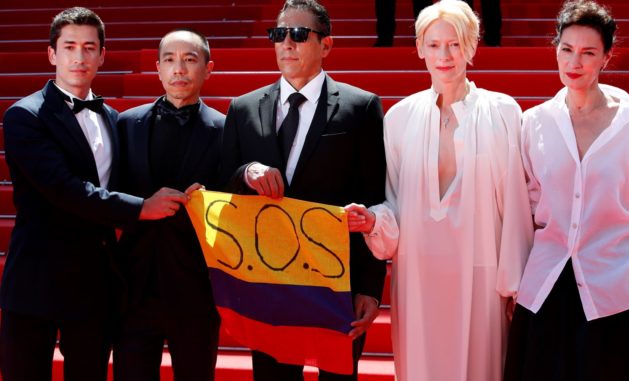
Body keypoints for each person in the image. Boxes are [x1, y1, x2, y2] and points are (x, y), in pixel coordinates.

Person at [0, 7, 189, 381]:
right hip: (36, 281)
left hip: (95, 285)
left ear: (102, 55)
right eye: (69, 46)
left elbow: (132, 178)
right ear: (52, 54)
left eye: (89, 47)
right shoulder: (24, 115)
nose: (79, 57)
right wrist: (142, 209)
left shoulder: (113, 118)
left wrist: (189, 189)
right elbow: (63, 188)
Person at [346, 1, 533, 380]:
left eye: (455, 44)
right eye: (433, 45)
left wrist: (515, 284)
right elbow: (394, 203)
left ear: (472, 47)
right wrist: (373, 222)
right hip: (418, 274)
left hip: (483, 275)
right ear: (419, 48)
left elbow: (516, 205)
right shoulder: (399, 117)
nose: (444, 55)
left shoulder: (504, 112)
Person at [503, 1, 629, 380]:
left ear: (607, 57)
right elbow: (527, 211)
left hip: (619, 289)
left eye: (588, 53)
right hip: (547, 290)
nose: (574, 62)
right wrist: (514, 284)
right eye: (566, 49)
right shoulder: (533, 124)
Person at [222, 0, 387, 379]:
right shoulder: (243, 108)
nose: (287, 44)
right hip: (267, 280)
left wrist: (370, 288)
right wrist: (247, 172)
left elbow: (374, 199)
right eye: (279, 34)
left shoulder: (360, 107)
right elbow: (222, 184)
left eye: (299, 34)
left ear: (326, 45)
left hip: (336, 282)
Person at [113, 29, 230, 381]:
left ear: (208, 69)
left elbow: (235, 205)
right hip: (134, 285)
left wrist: (210, 201)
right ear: (158, 69)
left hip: (196, 288)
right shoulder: (126, 123)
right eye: (170, 60)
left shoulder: (227, 130)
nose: (179, 68)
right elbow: (111, 192)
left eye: (190, 59)